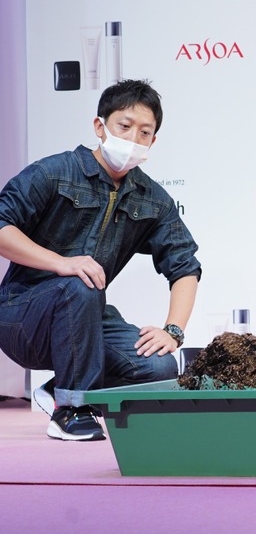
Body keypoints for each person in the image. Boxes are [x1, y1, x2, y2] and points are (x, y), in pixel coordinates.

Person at [0, 79, 202, 441]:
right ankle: (74, 408)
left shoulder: (152, 199)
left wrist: (173, 330)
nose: (133, 140)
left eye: (145, 132)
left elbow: (184, 264)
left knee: (159, 366)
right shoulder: (53, 172)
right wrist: (61, 262)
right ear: (100, 126)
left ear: (153, 141)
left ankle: (62, 385)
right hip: (20, 316)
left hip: (86, 318)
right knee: (80, 284)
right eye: (124, 127)